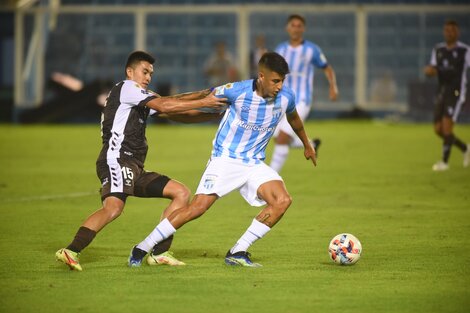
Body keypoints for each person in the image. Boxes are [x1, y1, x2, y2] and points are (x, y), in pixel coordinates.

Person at [127, 52, 317, 268]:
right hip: (225, 159)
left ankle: (238, 251)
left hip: (254, 163)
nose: (280, 86)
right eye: (275, 80)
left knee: (282, 201)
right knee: (197, 208)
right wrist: (164, 102)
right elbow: (204, 94)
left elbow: (294, 118)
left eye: (283, 81)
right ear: (261, 76)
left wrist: (306, 144)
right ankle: (142, 246)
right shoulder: (236, 90)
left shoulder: (286, 97)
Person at [55, 50, 227, 271]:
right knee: (113, 208)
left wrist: (213, 113)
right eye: (144, 72)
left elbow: (175, 110)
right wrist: (205, 99)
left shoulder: (139, 95)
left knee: (180, 193)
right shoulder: (127, 88)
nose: (148, 77)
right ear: (130, 72)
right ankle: (71, 250)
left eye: (150, 73)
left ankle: (159, 252)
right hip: (116, 160)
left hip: (133, 166)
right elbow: (165, 106)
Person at [269, 14, 338, 173]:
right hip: (282, 98)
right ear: (288, 28)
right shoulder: (281, 49)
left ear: (303, 29)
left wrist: (333, 87)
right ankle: (310, 144)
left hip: (301, 99)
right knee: (276, 137)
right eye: (293, 25)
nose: (296, 28)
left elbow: (326, 67)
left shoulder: (311, 49)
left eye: (299, 25)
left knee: (282, 139)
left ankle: (269, 180)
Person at [424, 20, 470, 171]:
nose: (449, 33)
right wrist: (429, 71)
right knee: (438, 129)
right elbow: (432, 68)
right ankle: (465, 148)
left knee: (447, 128)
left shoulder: (465, 51)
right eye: (447, 30)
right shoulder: (438, 50)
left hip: (456, 92)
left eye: (452, 30)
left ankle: (444, 162)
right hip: (442, 91)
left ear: (458, 32)